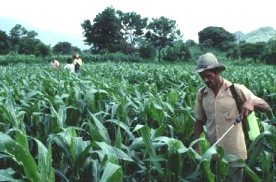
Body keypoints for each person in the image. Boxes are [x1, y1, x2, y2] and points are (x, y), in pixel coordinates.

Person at [193, 52, 270, 182]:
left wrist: (251, 102)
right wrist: (196, 145)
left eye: (208, 76)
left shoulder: (236, 90)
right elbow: (199, 121)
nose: (206, 80)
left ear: (217, 72)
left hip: (234, 154)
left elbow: (266, 106)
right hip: (212, 153)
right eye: (202, 77)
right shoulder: (202, 94)